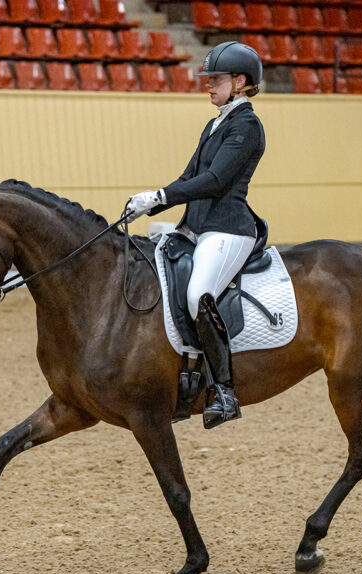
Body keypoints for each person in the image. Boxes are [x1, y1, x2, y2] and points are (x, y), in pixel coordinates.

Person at [125, 41, 266, 429]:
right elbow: (190, 177)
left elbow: (216, 180)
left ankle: (224, 391)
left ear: (240, 82)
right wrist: (151, 202)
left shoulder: (247, 126)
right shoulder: (215, 124)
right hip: (197, 227)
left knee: (197, 294)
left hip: (228, 228)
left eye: (216, 79)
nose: (208, 85)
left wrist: (161, 196)